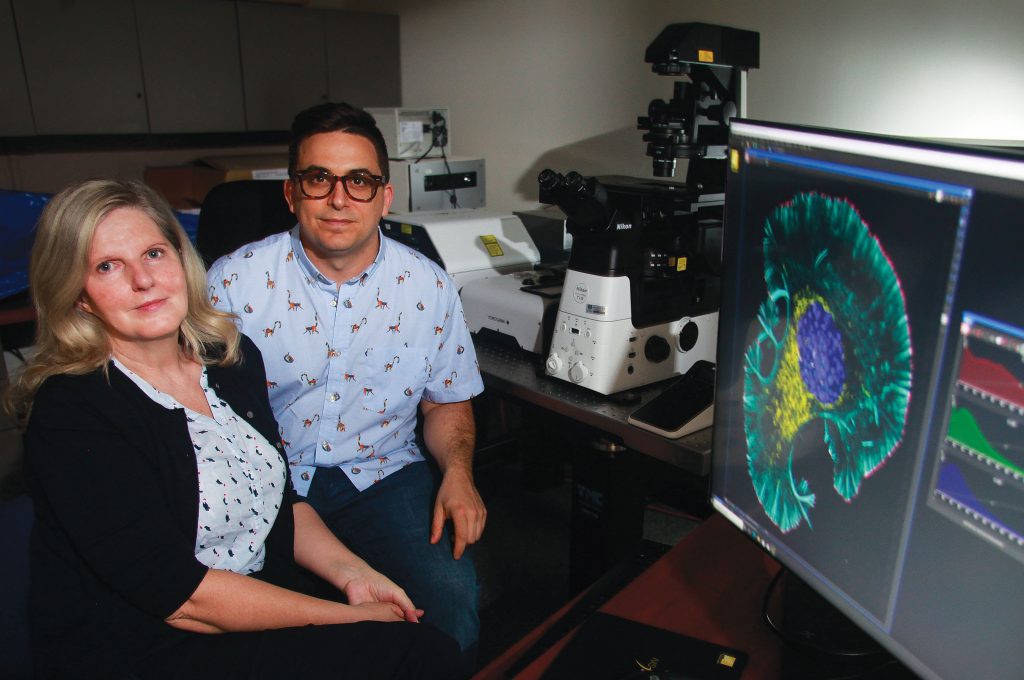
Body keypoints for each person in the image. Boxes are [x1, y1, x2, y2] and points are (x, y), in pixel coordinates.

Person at [4, 178, 461, 680]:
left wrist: (357, 577)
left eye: (154, 253)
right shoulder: (72, 410)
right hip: (146, 642)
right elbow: (181, 599)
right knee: (416, 656)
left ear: (181, 258)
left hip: (248, 604)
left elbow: (283, 502)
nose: (143, 279)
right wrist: (345, 617)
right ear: (80, 296)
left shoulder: (230, 360)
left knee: (425, 644)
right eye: (107, 266)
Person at [205, 102, 487, 667]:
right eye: (319, 179)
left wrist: (459, 474)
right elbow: (200, 410)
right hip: (269, 478)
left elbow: (444, 401)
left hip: (384, 474)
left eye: (359, 181)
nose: (339, 199)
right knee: (267, 640)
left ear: (384, 196)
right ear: (292, 193)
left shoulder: (428, 287)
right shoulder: (232, 282)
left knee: (451, 611)